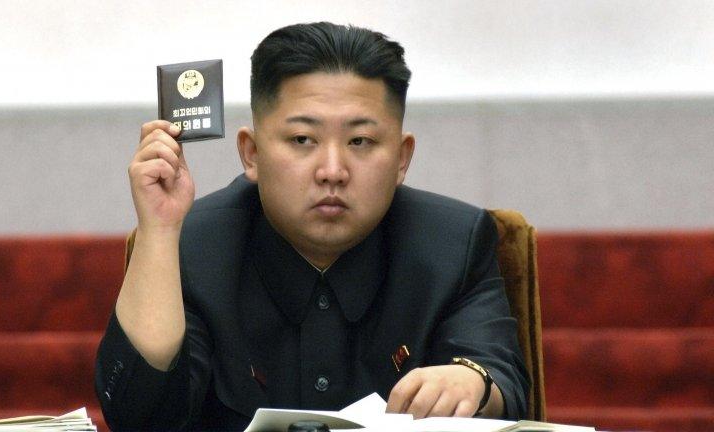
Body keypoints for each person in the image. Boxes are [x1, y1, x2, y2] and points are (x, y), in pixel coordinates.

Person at [96, 22, 529, 431]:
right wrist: (159, 232)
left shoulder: (454, 243)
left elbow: (500, 376)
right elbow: (140, 418)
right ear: (251, 154)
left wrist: (472, 382)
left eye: (360, 141)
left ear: (401, 158)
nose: (332, 171)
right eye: (303, 140)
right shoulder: (194, 246)